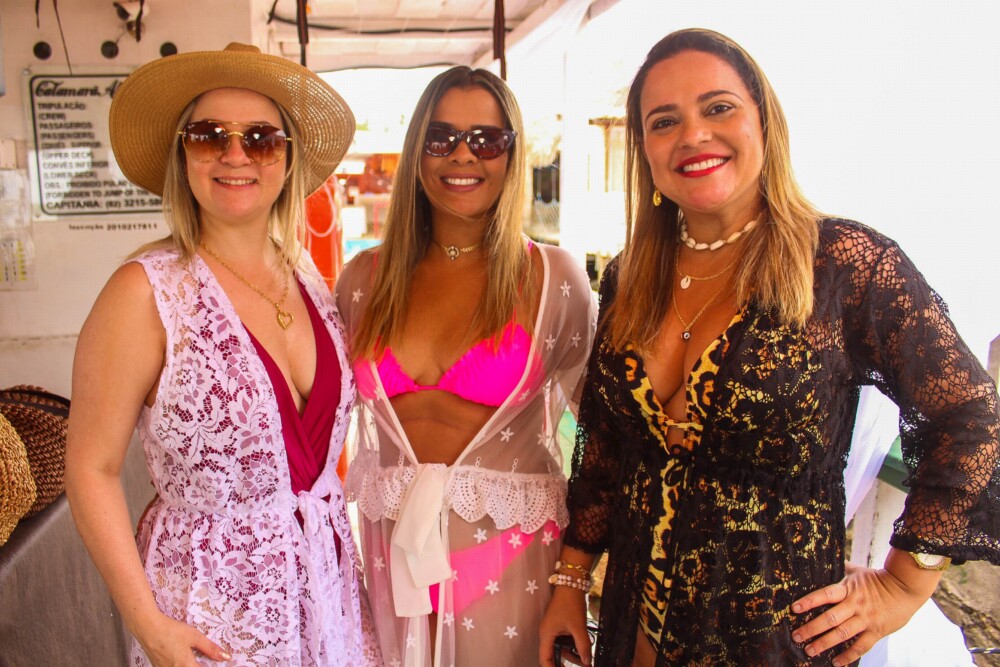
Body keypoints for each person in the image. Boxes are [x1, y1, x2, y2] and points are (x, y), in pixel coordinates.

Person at [539, 28, 1000, 667]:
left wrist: (904, 583)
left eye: (718, 107)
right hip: (629, 631)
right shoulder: (630, 276)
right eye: (664, 121)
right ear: (645, 150)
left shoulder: (844, 266)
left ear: (764, 122)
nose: (693, 134)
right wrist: (570, 579)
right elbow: (605, 452)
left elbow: (969, 415)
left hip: (775, 641)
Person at [64, 43, 382, 666]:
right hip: (210, 618)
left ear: (287, 159)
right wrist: (147, 623)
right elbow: (90, 469)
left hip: (330, 605)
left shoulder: (309, 279)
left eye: (261, 139)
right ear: (183, 155)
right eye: (210, 136)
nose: (235, 155)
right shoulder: (145, 292)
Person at [335, 66, 596, 667]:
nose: (462, 154)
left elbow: (604, 439)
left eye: (487, 139)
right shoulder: (362, 281)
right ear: (417, 150)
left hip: (510, 563)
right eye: (441, 137)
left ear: (512, 153)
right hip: (392, 561)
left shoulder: (554, 280)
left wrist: (575, 578)